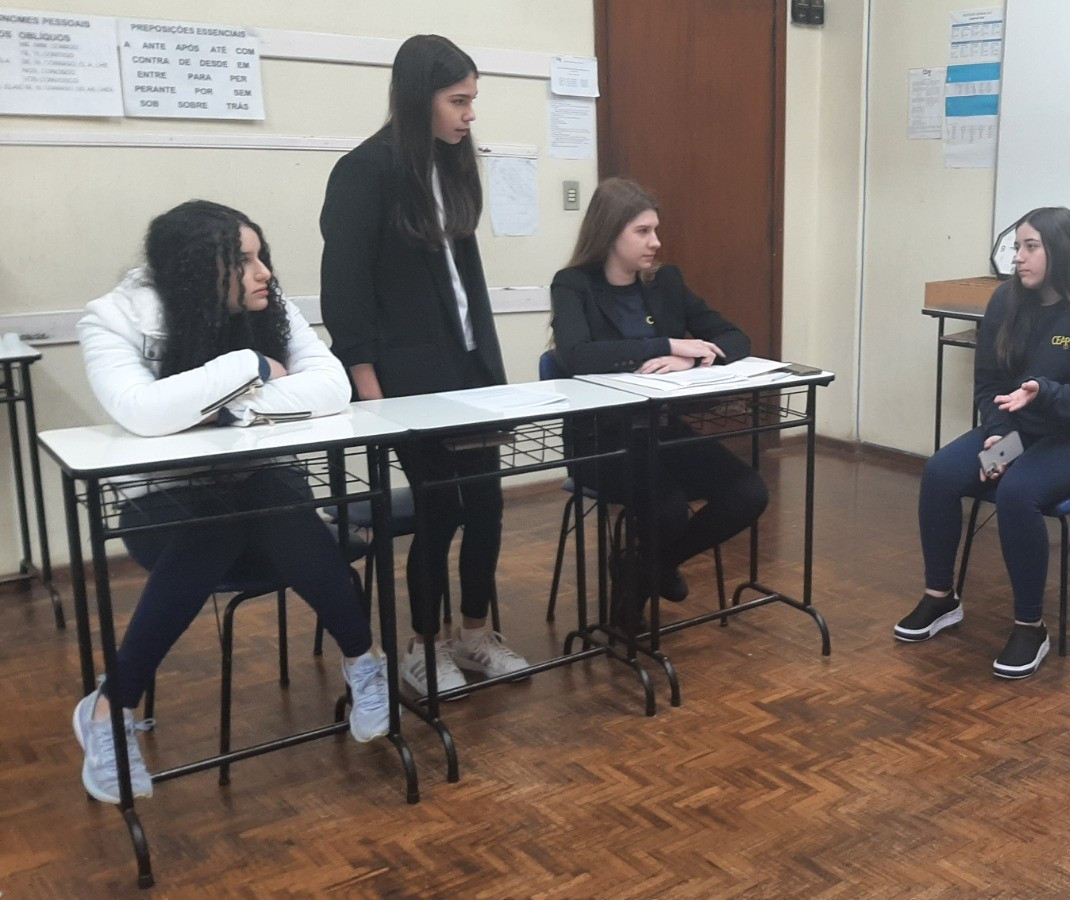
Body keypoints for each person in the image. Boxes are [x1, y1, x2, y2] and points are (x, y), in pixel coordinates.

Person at [73, 200, 389, 804]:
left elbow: (333, 387)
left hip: (267, 503)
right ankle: (362, 655)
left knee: (261, 503)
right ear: (195, 269)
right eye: (243, 261)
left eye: (261, 255)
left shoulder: (274, 307)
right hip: (161, 508)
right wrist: (251, 365)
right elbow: (141, 412)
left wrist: (227, 409)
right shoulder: (114, 318)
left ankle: (112, 704)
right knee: (228, 519)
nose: (264, 272)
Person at [320, 34, 528, 696]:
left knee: (487, 507)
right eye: (458, 101)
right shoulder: (364, 172)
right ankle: (423, 644)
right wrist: (370, 392)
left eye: (472, 100)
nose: (470, 114)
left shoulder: (452, 166)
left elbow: (462, 288)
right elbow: (345, 294)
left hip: (471, 371)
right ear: (419, 99)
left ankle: (474, 634)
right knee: (439, 512)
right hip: (406, 385)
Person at [897, 207, 1070, 679]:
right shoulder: (1006, 301)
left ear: (1061, 250)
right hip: (1022, 434)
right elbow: (989, 383)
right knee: (941, 473)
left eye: (1031, 247)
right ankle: (941, 598)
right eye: (1016, 247)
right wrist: (999, 434)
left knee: (1017, 491)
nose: (1018, 258)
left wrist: (1044, 393)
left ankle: (1030, 626)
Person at [549, 177, 769, 627]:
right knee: (667, 508)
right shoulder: (573, 285)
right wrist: (666, 344)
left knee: (748, 493)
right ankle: (637, 591)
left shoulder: (666, 281)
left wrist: (692, 360)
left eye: (655, 230)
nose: (656, 242)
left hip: (662, 430)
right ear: (610, 233)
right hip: (601, 440)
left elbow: (734, 337)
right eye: (643, 231)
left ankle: (644, 567)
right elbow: (576, 356)